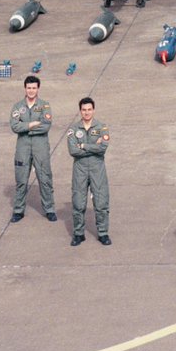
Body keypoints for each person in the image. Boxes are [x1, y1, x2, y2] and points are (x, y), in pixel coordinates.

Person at [9, 74, 56, 223]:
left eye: (34, 88)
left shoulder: (45, 106)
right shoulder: (18, 107)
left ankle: (49, 209)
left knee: (45, 178)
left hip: (40, 146)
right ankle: (18, 210)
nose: (31, 91)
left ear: (38, 89)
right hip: (23, 147)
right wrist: (31, 124)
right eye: (29, 88)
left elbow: (45, 126)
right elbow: (14, 126)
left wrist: (25, 127)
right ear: (25, 88)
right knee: (21, 179)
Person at [67, 97, 110, 246]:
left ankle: (103, 233)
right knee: (78, 202)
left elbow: (103, 147)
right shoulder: (73, 129)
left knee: (101, 201)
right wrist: (92, 147)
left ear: (93, 110)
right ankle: (79, 234)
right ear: (80, 111)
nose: (86, 112)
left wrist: (83, 145)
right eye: (84, 110)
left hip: (97, 168)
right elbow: (73, 150)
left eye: (89, 109)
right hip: (80, 169)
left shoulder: (101, 127)